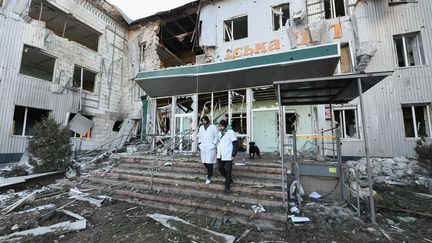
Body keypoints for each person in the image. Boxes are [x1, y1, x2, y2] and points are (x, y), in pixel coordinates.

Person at [216, 120, 238, 193]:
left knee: (228, 171)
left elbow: (235, 143)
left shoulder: (230, 132)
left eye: (221, 126)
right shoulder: (219, 133)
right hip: (220, 154)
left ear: (224, 126)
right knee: (220, 168)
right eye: (219, 126)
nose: (220, 127)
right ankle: (229, 179)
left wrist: (233, 154)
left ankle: (227, 187)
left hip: (228, 154)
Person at [198, 116, 219, 184]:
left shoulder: (213, 127)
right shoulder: (201, 127)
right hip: (203, 147)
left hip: (210, 147)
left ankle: (209, 177)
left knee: (210, 162)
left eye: (204, 120)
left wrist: (213, 144)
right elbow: (199, 136)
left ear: (207, 120)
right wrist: (199, 143)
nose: (203, 121)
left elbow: (217, 136)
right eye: (202, 120)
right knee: (204, 162)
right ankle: (210, 172)